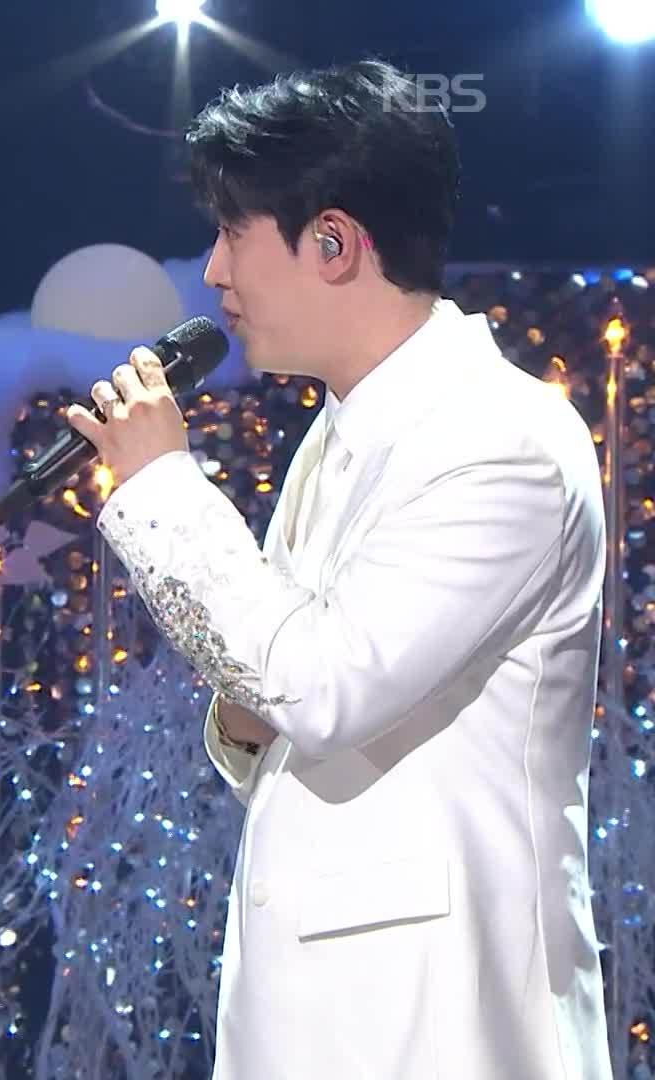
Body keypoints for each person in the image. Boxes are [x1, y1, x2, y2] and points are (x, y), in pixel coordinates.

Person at [63, 61, 610, 1078]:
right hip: (318, 1013)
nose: (212, 271)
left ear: (334, 242)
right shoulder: (343, 431)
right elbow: (282, 690)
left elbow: (321, 689)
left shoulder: (501, 440)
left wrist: (161, 483)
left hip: (442, 1018)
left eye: (233, 232)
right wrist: (246, 715)